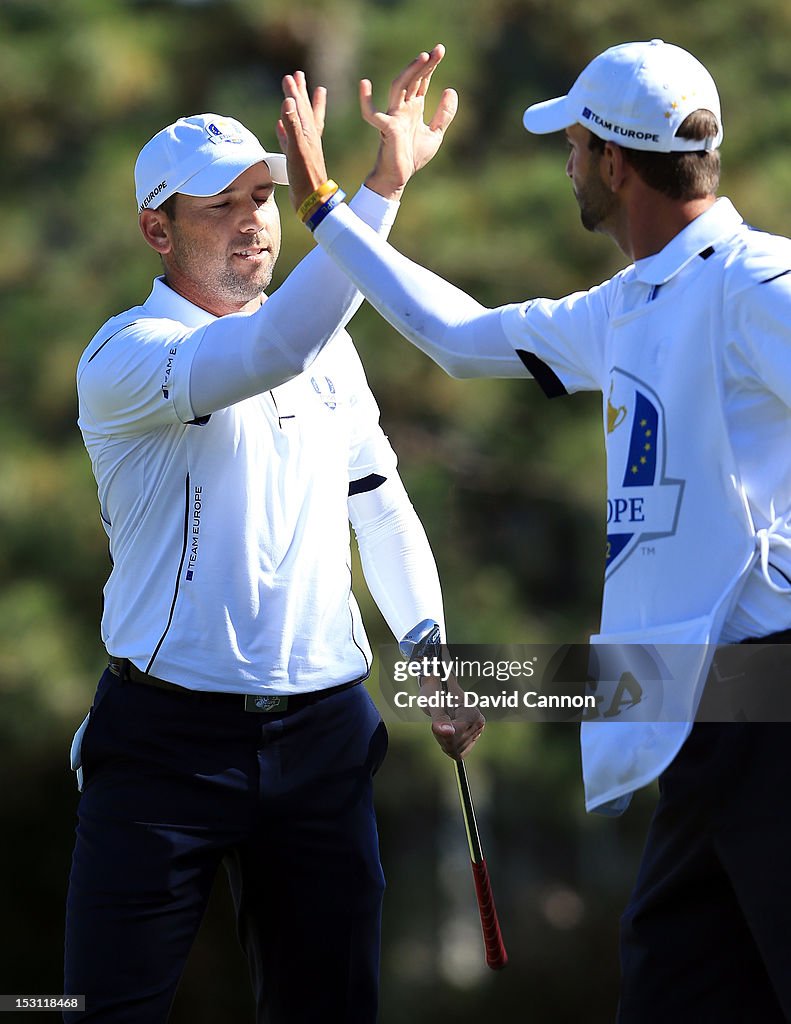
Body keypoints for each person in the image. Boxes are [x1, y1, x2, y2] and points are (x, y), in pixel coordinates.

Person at [278, 38, 791, 1022]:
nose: (564, 161)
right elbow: (459, 341)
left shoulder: (753, 280)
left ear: (610, 160)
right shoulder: (631, 302)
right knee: (669, 992)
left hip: (767, 711)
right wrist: (326, 215)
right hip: (702, 725)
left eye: (573, 141)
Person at [65, 47, 483, 1024]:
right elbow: (268, 347)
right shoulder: (127, 355)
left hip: (323, 735)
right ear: (153, 228)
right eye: (223, 203)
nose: (254, 219)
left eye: (263, 194)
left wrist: (424, 643)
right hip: (164, 743)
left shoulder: (325, 335)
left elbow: (376, 498)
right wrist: (373, 190)